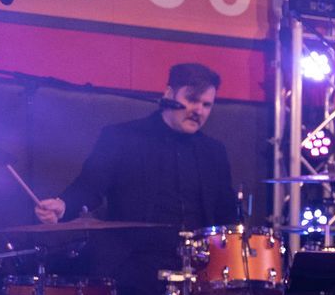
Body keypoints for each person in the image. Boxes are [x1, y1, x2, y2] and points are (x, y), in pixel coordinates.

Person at [36, 63, 236, 231]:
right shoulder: (122, 138)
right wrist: (63, 205)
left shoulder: (213, 152)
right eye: (192, 100)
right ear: (168, 94)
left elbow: (226, 214)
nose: (198, 111)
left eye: (206, 105)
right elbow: (90, 186)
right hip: (136, 260)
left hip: (200, 267)